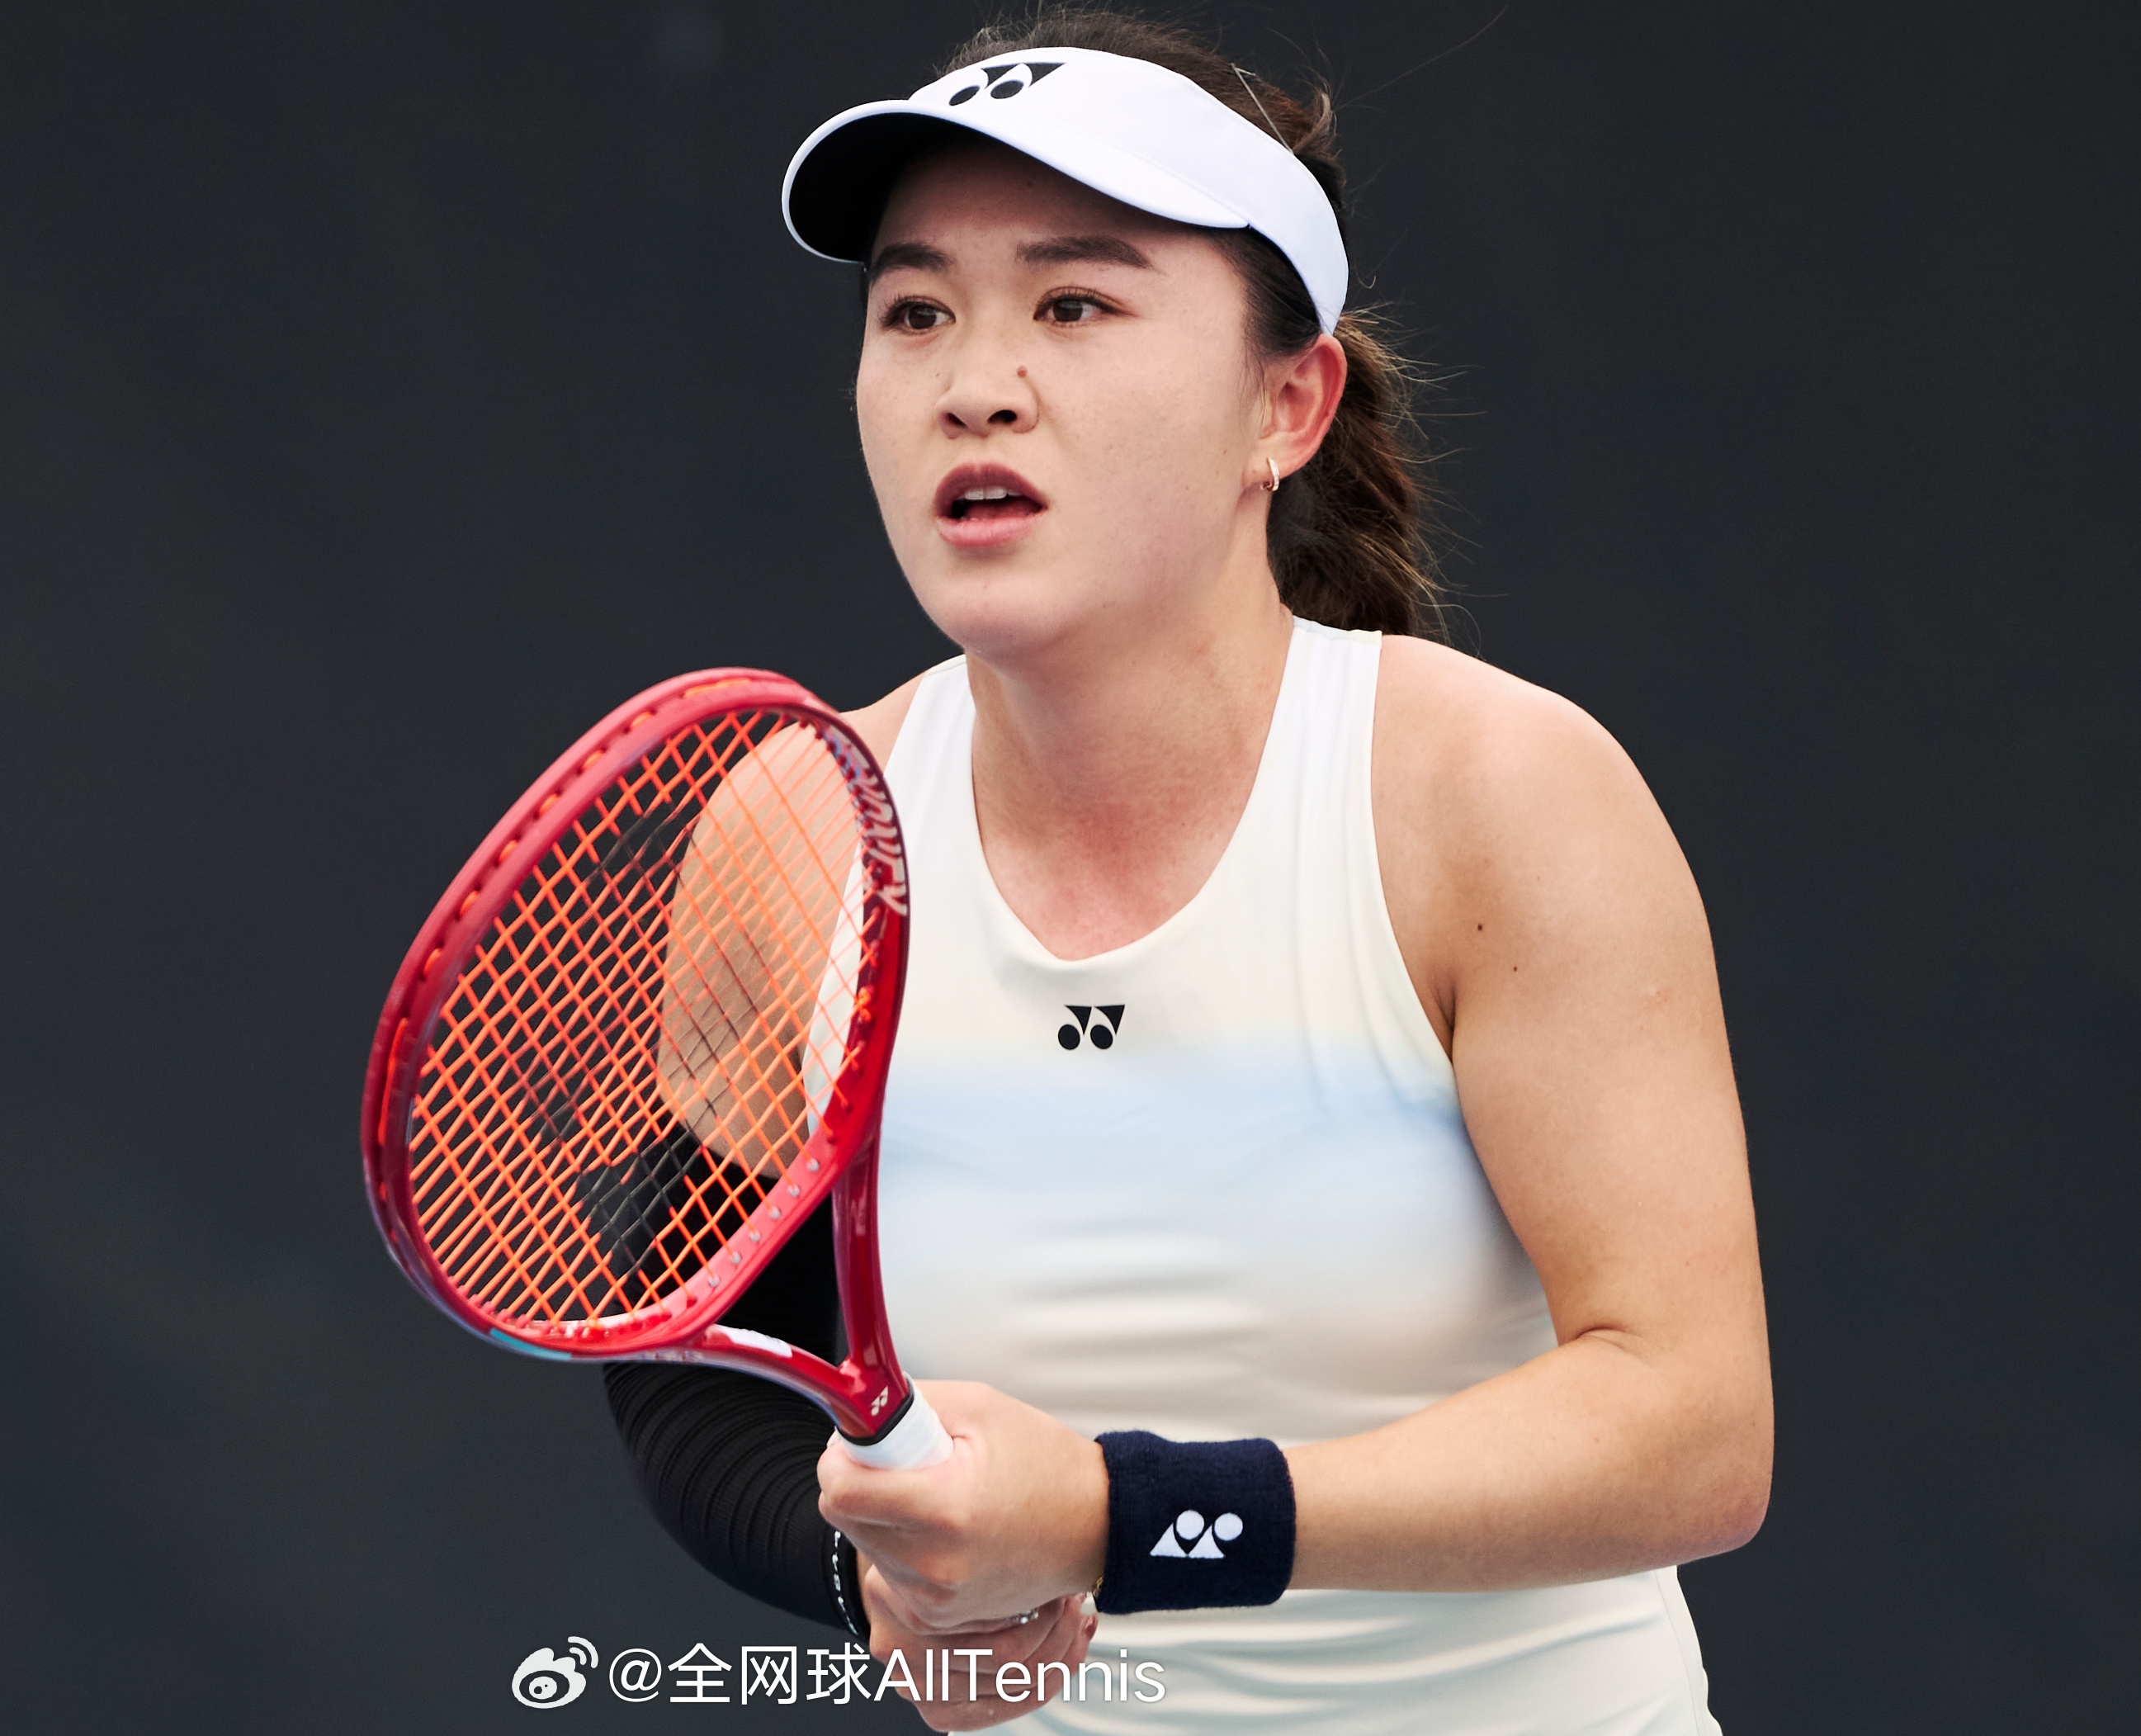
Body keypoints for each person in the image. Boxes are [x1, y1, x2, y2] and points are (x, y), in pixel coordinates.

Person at [604, 12, 1770, 1731]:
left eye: (1075, 304)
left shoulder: (1498, 798)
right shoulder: (796, 824)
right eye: (915, 311)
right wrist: (877, 1583)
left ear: (1286, 406)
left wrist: (1122, 1513)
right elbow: (697, 1364)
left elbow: (1692, 1426)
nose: (975, 381)